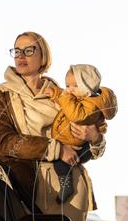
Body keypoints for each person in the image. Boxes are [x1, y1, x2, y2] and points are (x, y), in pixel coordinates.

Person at [0, 31, 105, 221]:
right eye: (17, 51)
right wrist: (55, 148)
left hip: (70, 183)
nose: (21, 56)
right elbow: (5, 141)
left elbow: (93, 141)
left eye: (29, 50)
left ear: (43, 56)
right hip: (22, 180)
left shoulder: (65, 94)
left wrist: (95, 138)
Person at [45, 64, 117, 203]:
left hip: (80, 147)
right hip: (73, 143)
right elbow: (62, 95)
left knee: (60, 163)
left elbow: (76, 115)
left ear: (87, 87)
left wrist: (63, 96)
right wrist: (55, 93)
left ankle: (66, 186)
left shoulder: (91, 104)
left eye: (74, 86)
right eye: (67, 85)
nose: (69, 90)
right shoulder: (79, 98)